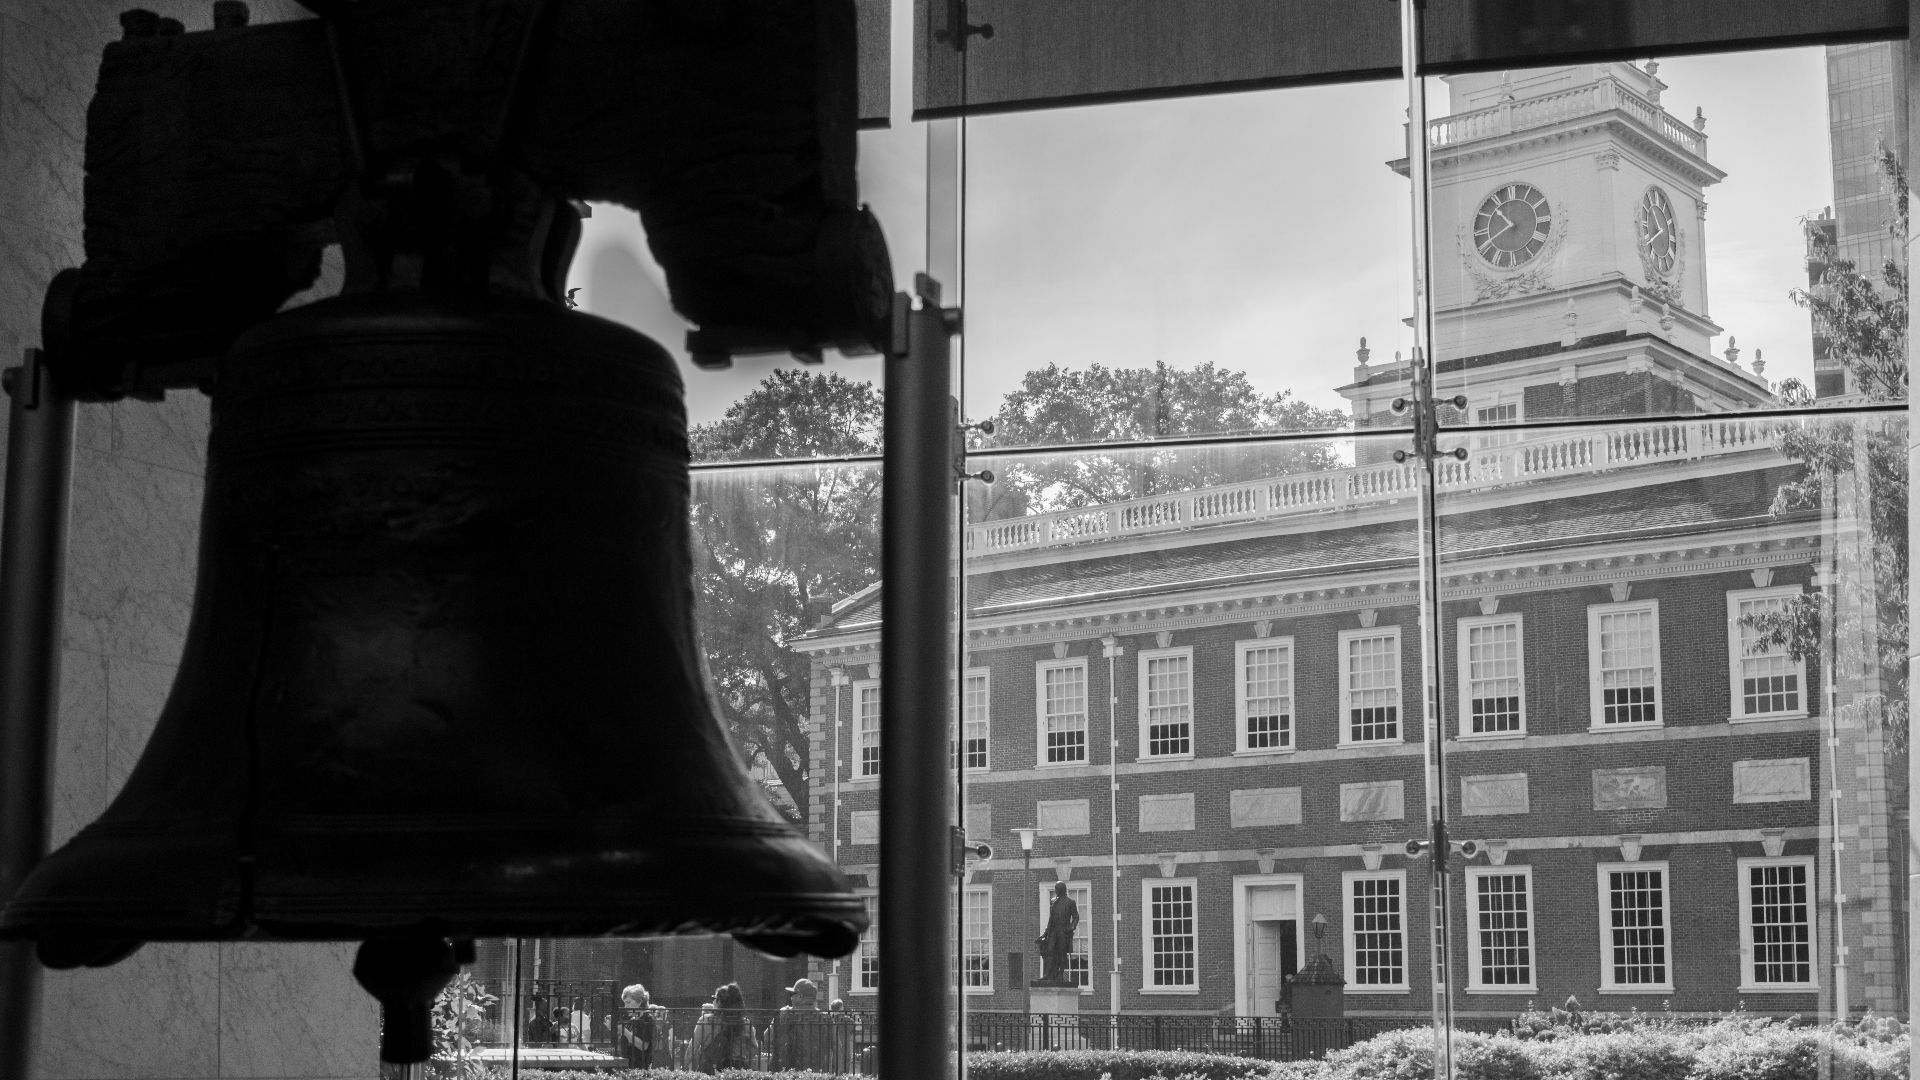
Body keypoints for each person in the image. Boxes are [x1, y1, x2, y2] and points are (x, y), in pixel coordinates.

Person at [765, 977, 838, 1071]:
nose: (791, 997)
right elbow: (836, 1048)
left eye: (793, 994)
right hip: (816, 1072)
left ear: (800, 996)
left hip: (787, 1071)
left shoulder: (784, 1014)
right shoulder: (825, 1018)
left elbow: (767, 1037)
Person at [690, 982, 759, 1073]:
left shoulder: (706, 1020)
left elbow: (692, 1048)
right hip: (736, 1069)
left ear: (719, 1002)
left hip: (711, 1069)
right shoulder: (745, 1023)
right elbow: (754, 1048)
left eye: (714, 998)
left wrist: (686, 1069)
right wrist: (742, 1057)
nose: (713, 1001)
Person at [614, 982, 671, 1067]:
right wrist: (613, 1027)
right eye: (625, 1003)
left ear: (639, 1002)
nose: (625, 1006)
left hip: (640, 1068)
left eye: (628, 1002)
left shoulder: (647, 1019)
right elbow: (625, 1040)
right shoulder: (633, 1019)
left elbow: (643, 1046)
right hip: (628, 1066)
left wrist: (624, 1031)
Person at [1036, 881, 1080, 986]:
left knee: (1062, 953)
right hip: (1053, 931)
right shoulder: (1053, 902)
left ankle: (1060, 974)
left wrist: (1071, 927)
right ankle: (1049, 974)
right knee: (1049, 951)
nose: (1055, 891)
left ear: (1061, 890)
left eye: (1057, 889)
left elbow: (1076, 917)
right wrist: (1046, 933)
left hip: (1063, 932)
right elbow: (1051, 919)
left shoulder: (1070, 902)